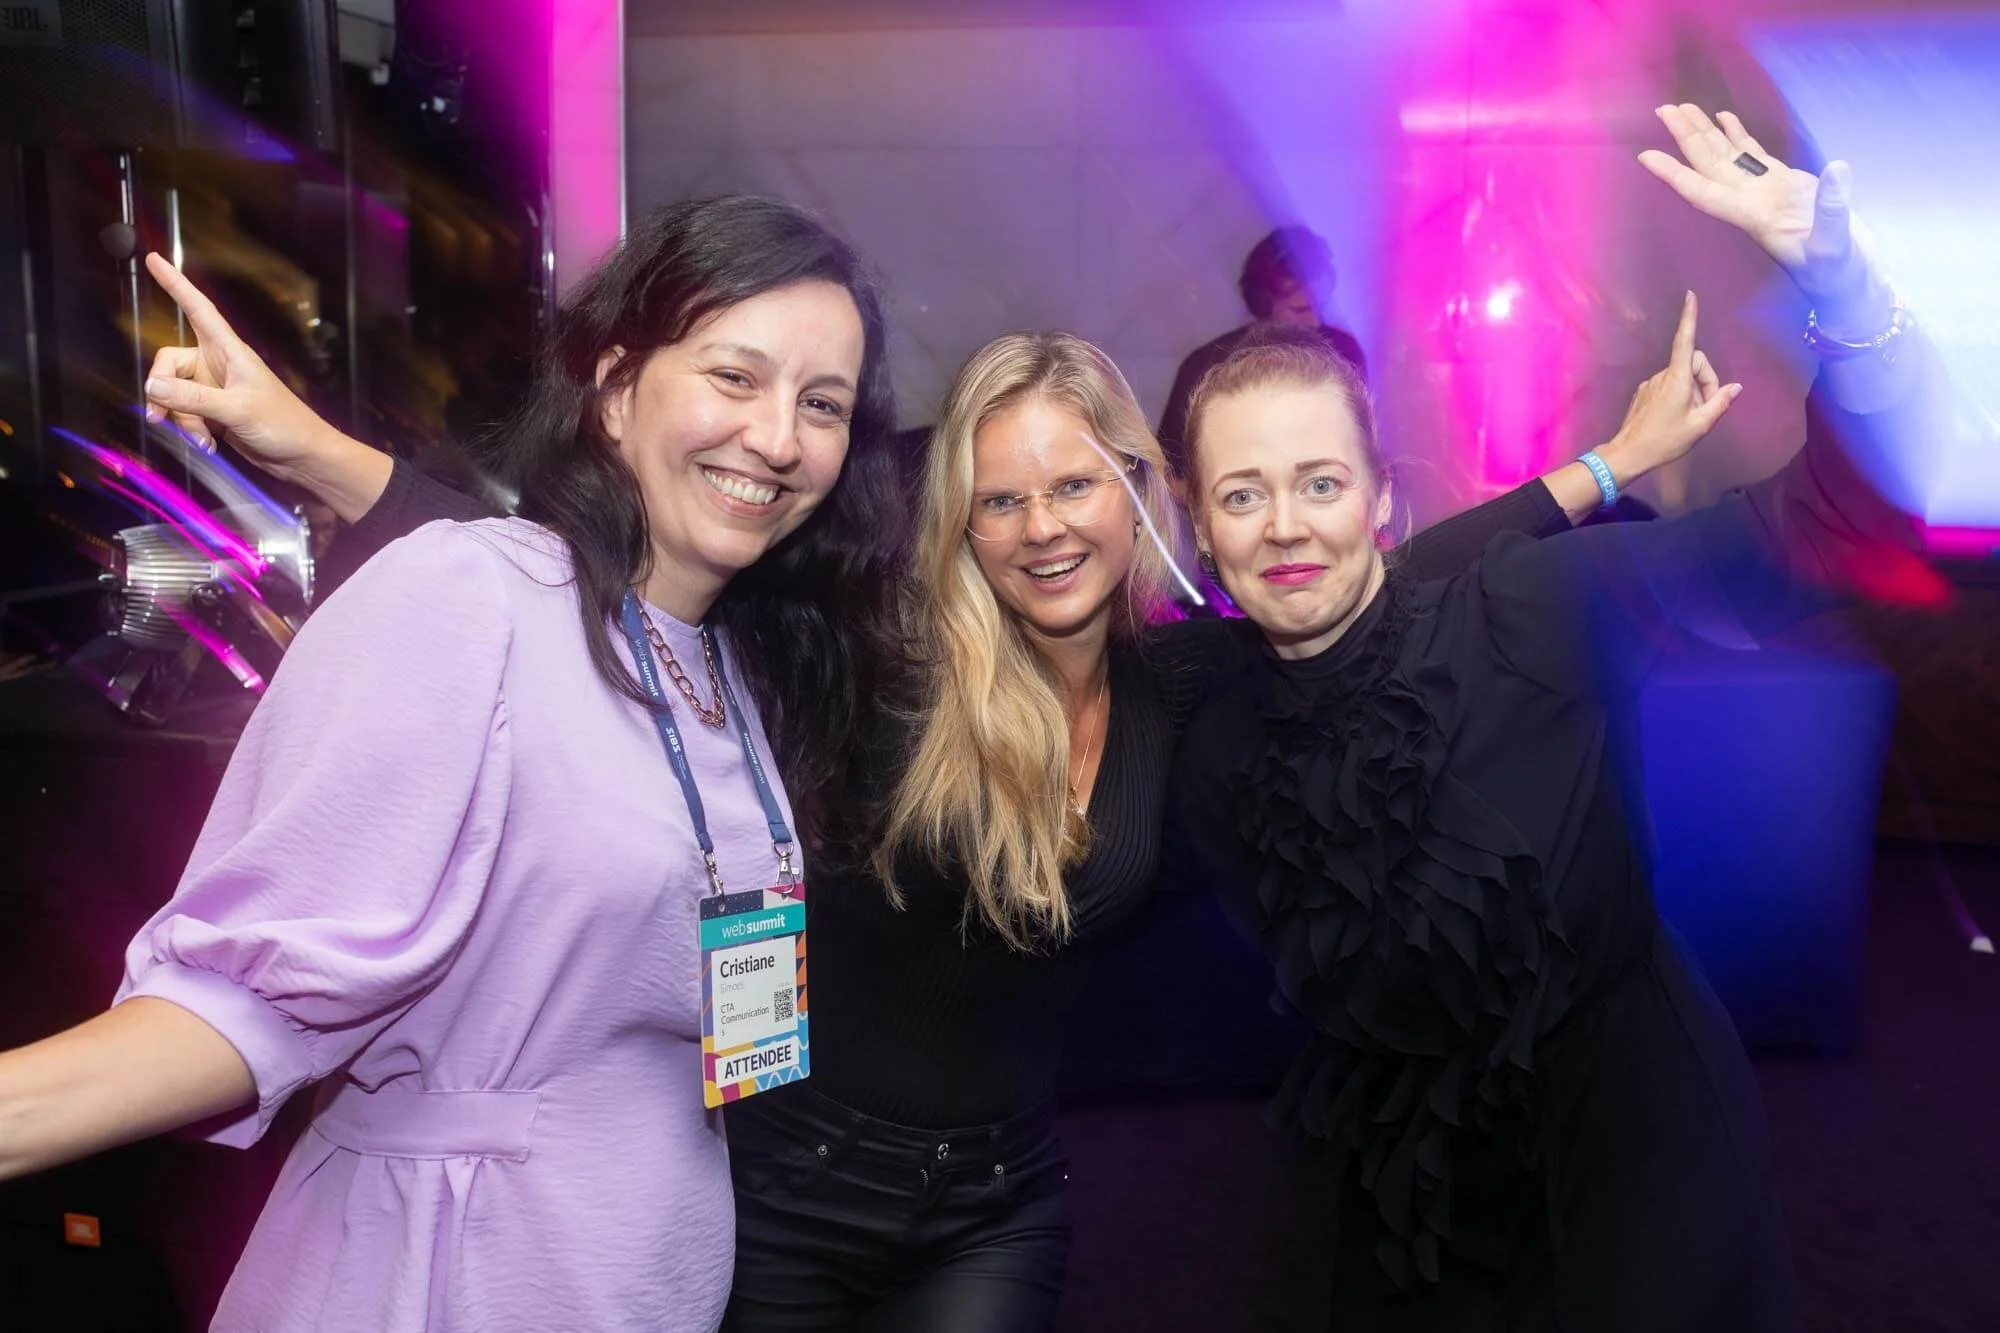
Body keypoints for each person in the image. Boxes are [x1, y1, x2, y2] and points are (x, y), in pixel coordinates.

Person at [125, 217, 1699, 1330]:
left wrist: (1596, 473)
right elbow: (582, 576)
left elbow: (1365, 574)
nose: (1046, 526)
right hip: (780, 1188)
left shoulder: (1189, 685)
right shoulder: (874, 670)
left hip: (1000, 1205)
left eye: (1077, 484)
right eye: (1001, 499)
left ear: (1140, 496)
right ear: (959, 519)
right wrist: (323, 453)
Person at [0, 195, 908, 1331]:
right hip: (452, 1273)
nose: (777, 438)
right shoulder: (466, 595)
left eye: (819, 404)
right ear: (617, 391)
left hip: (641, 1277)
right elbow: (252, 992)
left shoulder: (731, 660)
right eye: (734, 377)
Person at [1163, 105, 1939, 1329]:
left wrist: (1844, 292)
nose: (1284, 525)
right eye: (1241, 494)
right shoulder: (1205, 723)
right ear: (1201, 529)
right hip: (1402, 1172)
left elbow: (1819, 530)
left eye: (1319, 483)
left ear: (1378, 500)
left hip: (1627, 1141)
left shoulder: (1526, 609)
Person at [1157, 225, 1368, 487]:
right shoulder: (1205, 367)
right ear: (1261, 305)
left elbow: (1364, 451)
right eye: (1299, 309)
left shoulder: (1344, 352)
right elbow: (1168, 478)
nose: (1314, 322)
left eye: (1321, 307)